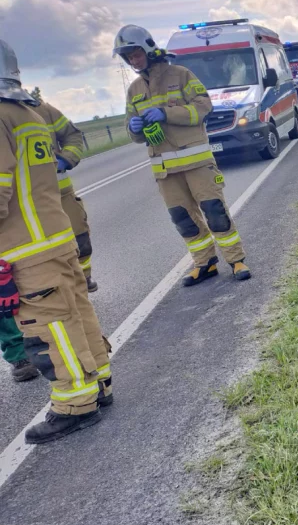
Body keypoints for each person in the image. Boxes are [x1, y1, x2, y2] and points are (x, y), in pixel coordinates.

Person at [0, 39, 112, 443]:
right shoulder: (27, 112)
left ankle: (74, 405)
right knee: (78, 314)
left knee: (48, 329)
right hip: (56, 237)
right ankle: (99, 383)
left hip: (25, 249)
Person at [114, 25, 251, 286]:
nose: (133, 60)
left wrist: (166, 113)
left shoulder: (180, 74)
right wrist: (134, 130)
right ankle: (205, 263)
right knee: (183, 219)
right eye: (128, 57)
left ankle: (236, 260)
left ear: (148, 48)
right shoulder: (134, 90)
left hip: (197, 162)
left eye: (135, 53)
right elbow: (134, 131)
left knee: (215, 212)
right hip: (165, 170)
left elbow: (203, 106)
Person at [30, 99, 97, 292]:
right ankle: (56, 290)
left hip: (61, 192)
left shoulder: (41, 109)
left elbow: (72, 135)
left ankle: (84, 279)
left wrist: (66, 158)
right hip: (24, 201)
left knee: (80, 238)